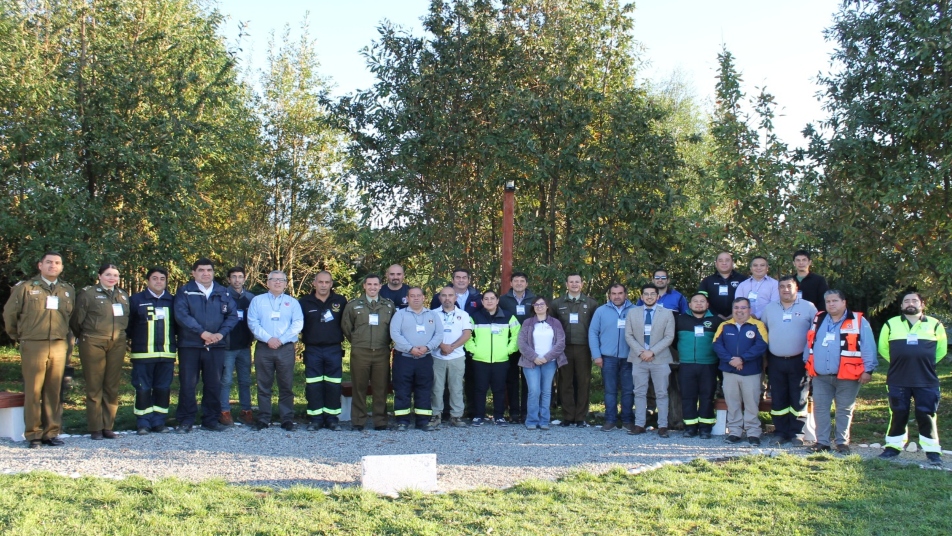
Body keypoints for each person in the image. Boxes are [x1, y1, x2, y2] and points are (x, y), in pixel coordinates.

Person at [3, 251, 74, 449]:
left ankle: (51, 432)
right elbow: (10, 314)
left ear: (61, 267)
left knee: (54, 390)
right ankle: (34, 434)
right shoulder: (25, 288)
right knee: (33, 390)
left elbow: (70, 317)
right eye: (49, 262)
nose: (53, 266)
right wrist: (19, 336)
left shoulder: (67, 290)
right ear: (40, 265)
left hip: (59, 345)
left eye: (57, 263)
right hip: (34, 344)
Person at [877, 292, 947, 465]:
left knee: (927, 414)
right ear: (901, 306)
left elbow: (941, 351)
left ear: (922, 304)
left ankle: (932, 451)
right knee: (898, 413)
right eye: (906, 300)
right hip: (898, 378)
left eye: (914, 300)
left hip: (926, 378)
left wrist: (923, 363)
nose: (910, 303)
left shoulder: (935, 324)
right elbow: (883, 349)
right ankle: (893, 448)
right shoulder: (890, 324)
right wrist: (902, 362)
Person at [803, 290, 876, 454]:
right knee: (820, 409)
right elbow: (809, 342)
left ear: (844, 302)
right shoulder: (819, 319)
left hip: (848, 376)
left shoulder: (858, 321)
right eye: (828, 301)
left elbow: (868, 347)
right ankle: (822, 442)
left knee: (844, 409)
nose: (831, 304)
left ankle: (842, 443)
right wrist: (806, 363)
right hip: (820, 376)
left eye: (835, 301)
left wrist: (869, 370)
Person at [173, 258, 239, 433]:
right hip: (190, 345)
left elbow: (232, 316)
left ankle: (210, 420)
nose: (205, 273)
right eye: (201, 270)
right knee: (188, 384)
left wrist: (220, 334)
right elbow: (181, 315)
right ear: (194, 273)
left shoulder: (223, 292)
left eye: (209, 270)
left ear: (213, 272)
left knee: (213, 384)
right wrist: (202, 333)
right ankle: (186, 420)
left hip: (216, 346)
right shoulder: (185, 292)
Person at [70, 263, 130, 440]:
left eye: (115, 275)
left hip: (117, 343)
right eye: (108, 275)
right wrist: (85, 336)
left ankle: (108, 426)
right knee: (95, 386)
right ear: (100, 276)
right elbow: (76, 320)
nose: (112, 278)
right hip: (93, 342)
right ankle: (95, 427)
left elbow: (126, 319)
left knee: (111, 386)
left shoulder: (122, 295)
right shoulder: (88, 294)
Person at [761, 275, 817, 445]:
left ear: (796, 288)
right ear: (778, 289)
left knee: (798, 396)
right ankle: (780, 432)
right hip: (776, 360)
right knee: (778, 396)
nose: (786, 289)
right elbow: (764, 332)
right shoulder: (770, 308)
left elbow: (815, 333)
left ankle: (796, 433)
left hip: (799, 360)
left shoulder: (808, 307)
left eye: (789, 286)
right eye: (782, 286)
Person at [247, 270, 303, 431]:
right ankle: (264, 418)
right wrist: (269, 339)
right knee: (263, 384)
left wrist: (281, 340)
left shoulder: (292, 303)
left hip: (285, 348)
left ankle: (287, 419)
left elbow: (297, 324)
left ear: (286, 283)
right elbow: (253, 322)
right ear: (268, 282)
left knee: (286, 385)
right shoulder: (258, 301)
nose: (277, 282)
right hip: (264, 347)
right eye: (274, 280)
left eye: (281, 280)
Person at [342, 274, 396, 431]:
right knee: (359, 387)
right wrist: (358, 341)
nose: (372, 287)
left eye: (376, 284)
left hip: (381, 351)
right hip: (360, 351)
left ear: (380, 286)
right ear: (364, 286)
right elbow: (346, 327)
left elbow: (394, 328)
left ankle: (380, 421)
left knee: (381, 387)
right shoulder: (353, 305)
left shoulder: (388, 306)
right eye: (369, 284)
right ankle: (358, 421)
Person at [126, 267, 176, 435]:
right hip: (142, 354)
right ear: (148, 280)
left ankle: (159, 422)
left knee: (163, 388)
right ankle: (143, 422)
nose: (158, 282)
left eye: (162, 278)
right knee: (143, 388)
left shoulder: (172, 301)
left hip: (166, 354)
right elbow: (128, 325)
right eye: (155, 278)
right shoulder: (136, 300)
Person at [713, 298, 768, 445]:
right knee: (733, 403)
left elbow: (761, 345)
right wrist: (731, 360)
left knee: (751, 403)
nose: (739, 310)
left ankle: (753, 433)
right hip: (729, 371)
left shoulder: (758, 325)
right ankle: (734, 432)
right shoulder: (724, 325)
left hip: (751, 372)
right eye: (736, 307)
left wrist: (742, 359)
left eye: (743, 307)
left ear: (749, 310)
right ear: (732, 310)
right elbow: (717, 345)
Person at [299, 271, 348, 431]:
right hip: (312, 349)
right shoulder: (304, 302)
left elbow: (346, 324)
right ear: (314, 283)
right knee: (314, 385)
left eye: (327, 282)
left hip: (333, 349)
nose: (323, 285)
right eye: (320, 282)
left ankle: (332, 419)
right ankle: (315, 419)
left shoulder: (340, 301)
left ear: (331, 284)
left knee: (333, 385)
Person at [625, 283, 676, 437]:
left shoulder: (667, 313)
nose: (649, 296)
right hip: (639, 358)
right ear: (641, 297)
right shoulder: (633, 313)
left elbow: (669, 336)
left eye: (652, 294)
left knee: (661, 393)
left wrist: (652, 351)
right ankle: (640, 424)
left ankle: (663, 426)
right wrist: (642, 352)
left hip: (660, 358)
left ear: (657, 296)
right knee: (639, 392)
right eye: (646, 294)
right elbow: (628, 335)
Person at [390, 287, 443, 431]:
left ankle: (423, 421)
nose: (416, 298)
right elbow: (395, 334)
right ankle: (402, 421)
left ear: (424, 297)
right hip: (404, 358)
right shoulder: (399, 315)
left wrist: (427, 347)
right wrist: (410, 348)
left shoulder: (432, 315)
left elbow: (439, 335)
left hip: (425, 358)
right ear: (407, 298)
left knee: (424, 390)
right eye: (412, 296)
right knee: (402, 390)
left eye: (419, 295)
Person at [465, 290, 520, 426]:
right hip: (480, 360)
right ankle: (478, 416)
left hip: (501, 360)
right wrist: (474, 350)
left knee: (499, 389)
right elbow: (467, 336)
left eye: (492, 298)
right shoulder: (475, 317)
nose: (489, 301)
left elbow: (517, 335)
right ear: (482, 302)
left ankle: (499, 416)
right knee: (479, 388)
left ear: (497, 301)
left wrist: (508, 350)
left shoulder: (508, 316)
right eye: (486, 299)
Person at [550, 274, 599, 427]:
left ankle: (580, 417)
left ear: (582, 284)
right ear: (566, 284)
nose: (574, 284)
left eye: (577, 282)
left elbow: (596, 328)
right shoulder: (557, 303)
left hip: (584, 348)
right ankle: (568, 416)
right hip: (563, 348)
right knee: (565, 382)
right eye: (571, 282)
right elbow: (551, 326)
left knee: (583, 382)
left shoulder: (591, 304)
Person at [588, 283, 635, 432]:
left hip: (630, 357)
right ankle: (610, 420)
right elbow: (593, 333)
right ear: (609, 295)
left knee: (628, 390)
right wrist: (596, 355)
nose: (617, 296)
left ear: (626, 294)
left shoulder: (635, 311)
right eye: (613, 293)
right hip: (607, 357)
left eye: (620, 293)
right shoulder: (601, 311)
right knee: (610, 390)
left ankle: (627, 420)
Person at [676, 292, 723, 439]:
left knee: (707, 397)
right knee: (688, 397)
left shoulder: (716, 321)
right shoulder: (680, 320)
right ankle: (690, 428)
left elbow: (720, 342)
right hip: (686, 364)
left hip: (708, 365)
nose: (698, 304)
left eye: (702, 301)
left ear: (707, 305)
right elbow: (673, 341)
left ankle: (705, 428)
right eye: (695, 301)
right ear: (689, 305)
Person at [518, 296, 567, 430]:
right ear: (533, 307)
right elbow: (521, 343)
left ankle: (544, 420)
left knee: (546, 391)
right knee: (534, 391)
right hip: (530, 362)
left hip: (549, 362)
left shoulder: (555, 323)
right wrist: (534, 357)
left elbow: (560, 343)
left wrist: (547, 357)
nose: (539, 306)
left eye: (542, 304)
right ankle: (532, 420)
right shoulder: (527, 323)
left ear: (547, 307)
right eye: (536, 304)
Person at [431, 286, 472, 428]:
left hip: (457, 356)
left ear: (455, 298)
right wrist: (442, 346)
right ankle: (436, 415)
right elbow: (430, 334)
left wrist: (451, 347)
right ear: (439, 298)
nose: (447, 298)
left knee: (456, 387)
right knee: (436, 387)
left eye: (450, 295)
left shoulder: (464, 314)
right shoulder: (432, 314)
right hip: (437, 356)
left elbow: (467, 334)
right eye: (444, 295)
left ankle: (456, 416)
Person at [499, 271, 536, 424]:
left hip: (530, 345)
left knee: (528, 380)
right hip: (510, 345)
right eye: (516, 281)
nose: (519, 283)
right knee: (512, 380)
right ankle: (514, 413)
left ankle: (526, 412)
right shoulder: (503, 300)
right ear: (511, 283)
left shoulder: (534, 300)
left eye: (522, 281)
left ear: (526, 284)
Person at [221, 266, 255, 426]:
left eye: (240, 276)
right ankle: (224, 411)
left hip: (245, 346)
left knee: (245, 380)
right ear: (229, 279)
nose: (237, 280)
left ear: (244, 278)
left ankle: (246, 411)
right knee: (226, 380)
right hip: (227, 346)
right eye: (233, 277)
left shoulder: (251, 298)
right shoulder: (222, 296)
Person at [698, 252, 747, 320]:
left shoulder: (743, 280)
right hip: (712, 319)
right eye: (720, 261)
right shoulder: (707, 281)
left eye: (727, 260)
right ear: (716, 264)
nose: (724, 263)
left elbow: (749, 300)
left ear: (732, 263)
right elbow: (701, 299)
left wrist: (735, 313)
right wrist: (716, 314)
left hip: (739, 318)